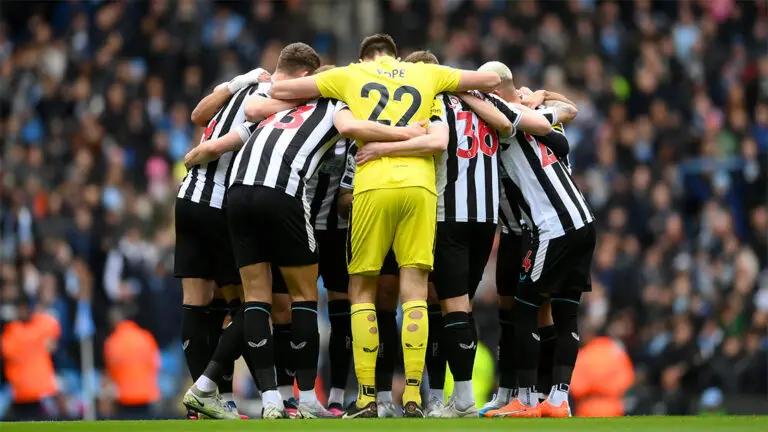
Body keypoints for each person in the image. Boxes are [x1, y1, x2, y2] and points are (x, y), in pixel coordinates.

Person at [184, 51, 427, 420]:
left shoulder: (279, 108)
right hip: (282, 192)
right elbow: (351, 128)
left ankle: (259, 398)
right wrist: (403, 132)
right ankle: (307, 398)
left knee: (256, 299)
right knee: (304, 297)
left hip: (237, 191)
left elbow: (246, 112)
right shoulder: (338, 106)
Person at [270, 33, 501, 419]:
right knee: (415, 290)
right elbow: (490, 80)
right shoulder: (425, 75)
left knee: (362, 290)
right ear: (396, 56)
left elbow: (283, 87)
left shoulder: (350, 74)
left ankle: (365, 396)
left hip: (372, 182)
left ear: (367, 56)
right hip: (420, 188)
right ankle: (412, 394)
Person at [357, 50, 552, 418]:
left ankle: (460, 400)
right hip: (485, 217)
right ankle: (451, 397)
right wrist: (539, 97)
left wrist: (382, 147)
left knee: (451, 306)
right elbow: (524, 123)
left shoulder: (428, 102)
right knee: (456, 304)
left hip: (448, 214)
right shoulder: (484, 100)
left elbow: (429, 145)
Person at [478, 62, 595, 419]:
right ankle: (559, 399)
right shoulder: (537, 114)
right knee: (565, 310)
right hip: (584, 221)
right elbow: (569, 109)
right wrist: (542, 96)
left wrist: (466, 91)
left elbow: (509, 119)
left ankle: (526, 399)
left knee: (525, 306)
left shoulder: (509, 113)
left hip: (554, 226)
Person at [175, 61, 270, 419]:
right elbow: (231, 138)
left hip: (187, 199)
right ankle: (210, 390)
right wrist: (206, 151)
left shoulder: (236, 89)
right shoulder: (270, 97)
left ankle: (203, 404)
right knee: (251, 300)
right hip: (218, 206)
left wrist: (236, 81)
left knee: (196, 301)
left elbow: (197, 114)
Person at [1, 297, 60, 421]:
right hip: (21, 392)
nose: (24, 311)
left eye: (26, 308)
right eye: (21, 308)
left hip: (42, 390)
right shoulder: (12, 330)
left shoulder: (42, 323)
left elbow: (55, 329)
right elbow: (7, 353)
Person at [103, 308, 161, 420]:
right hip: (146, 393)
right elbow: (155, 363)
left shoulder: (113, 341)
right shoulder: (146, 337)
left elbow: (111, 369)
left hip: (124, 395)